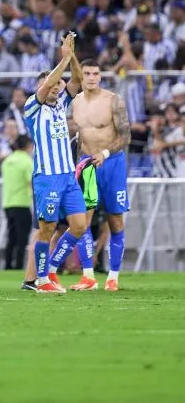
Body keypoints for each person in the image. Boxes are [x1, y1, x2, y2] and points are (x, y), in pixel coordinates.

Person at [24, 33, 87, 294]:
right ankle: (40, 280)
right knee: (46, 229)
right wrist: (63, 58)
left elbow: (78, 81)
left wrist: (71, 57)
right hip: (47, 177)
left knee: (79, 226)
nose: (54, 88)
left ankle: (49, 270)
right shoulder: (32, 107)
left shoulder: (62, 103)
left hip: (68, 178)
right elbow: (50, 81)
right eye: (49, 85)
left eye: (56, 85)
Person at [69, 59, 131, 291]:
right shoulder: (75, 102)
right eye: (87, 73)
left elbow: (126, 136)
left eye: (96, 73)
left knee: (115, 220)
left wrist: (105, 152)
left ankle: (113, 277)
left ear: (101, 76)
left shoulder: (113, 100)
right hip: (87, 164)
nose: (92, 77)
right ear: (81, 76)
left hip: (112, 163)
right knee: (82, 222)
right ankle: (88, 277)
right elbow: (79, 138)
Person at [1, 135, 35, 271]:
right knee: (22, 238)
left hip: (8, 202)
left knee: (11, 236)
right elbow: (31, 181)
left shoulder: (7, 160)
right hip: (22, 202)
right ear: (28, 146)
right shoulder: (27, 161)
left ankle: (8, 264)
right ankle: (19, 265)